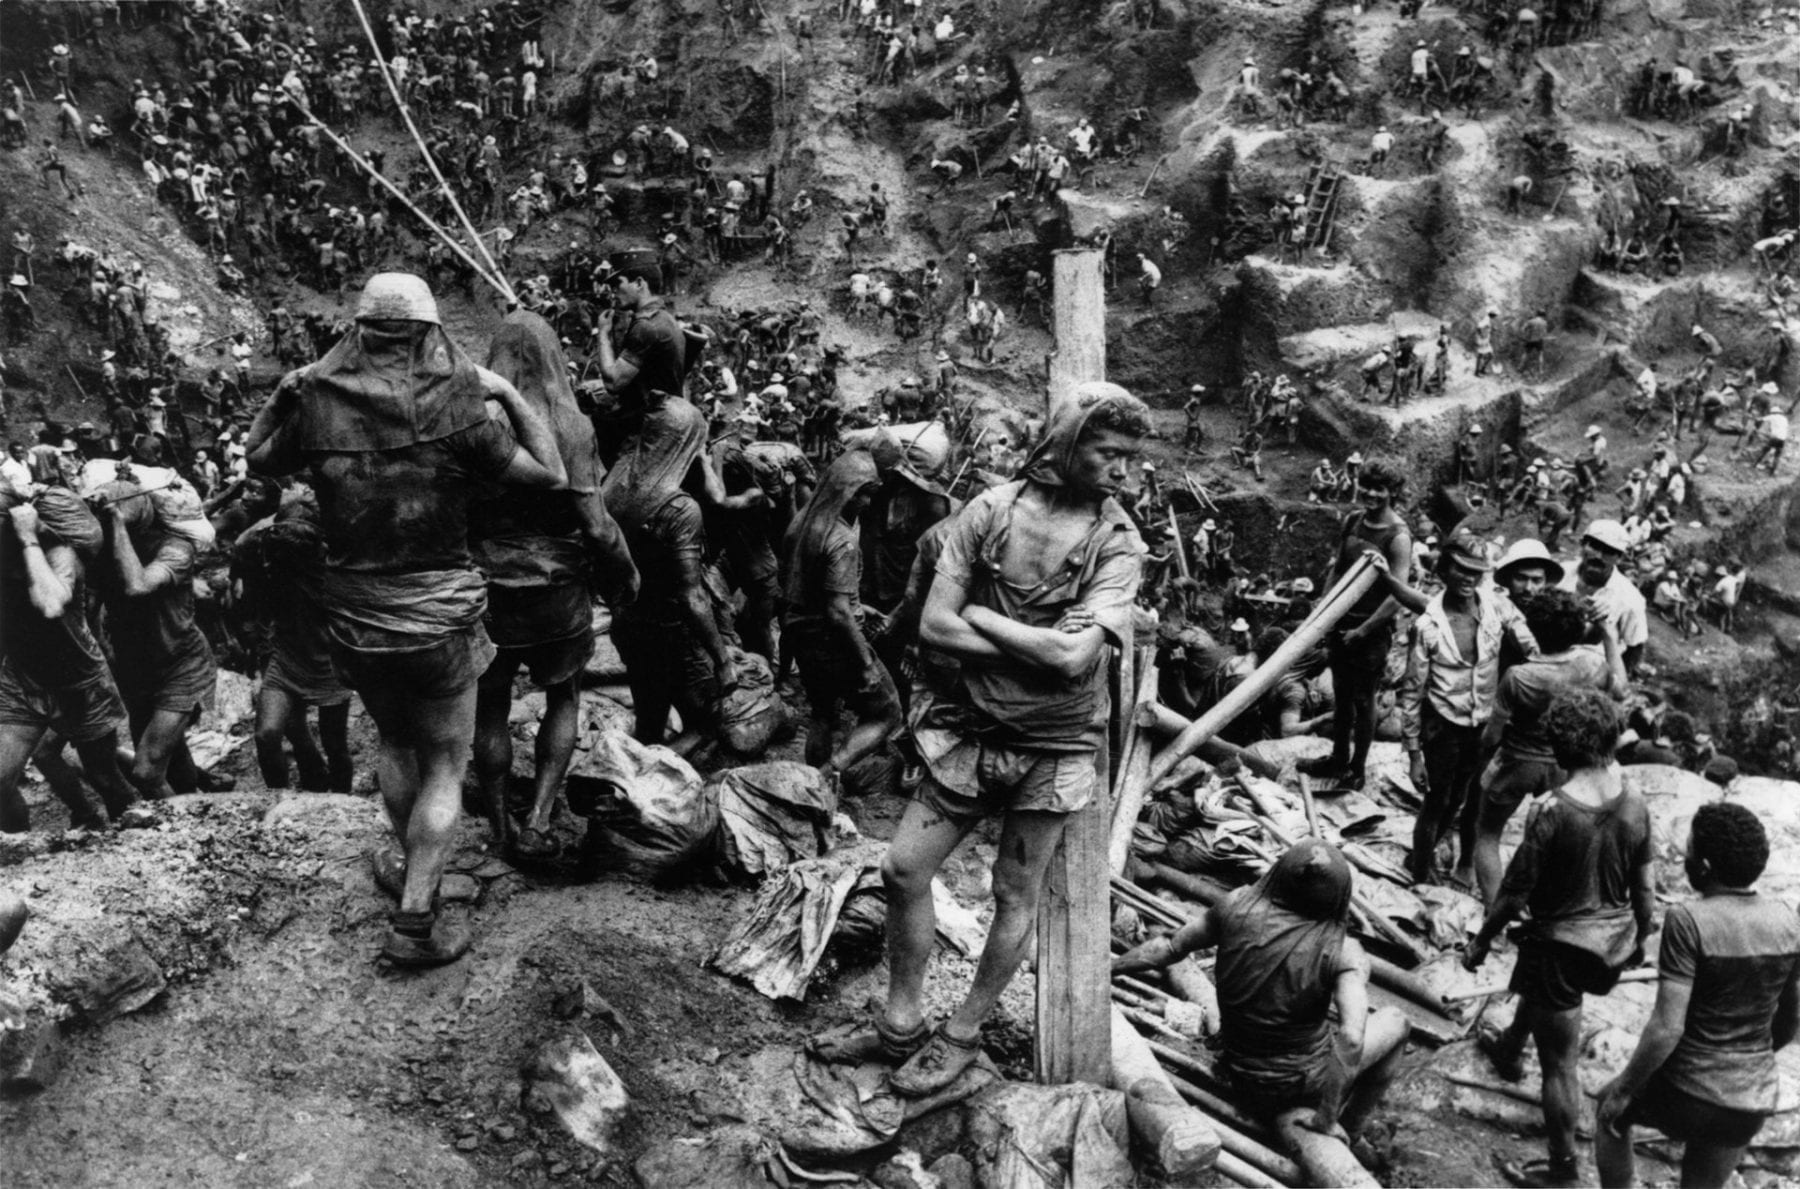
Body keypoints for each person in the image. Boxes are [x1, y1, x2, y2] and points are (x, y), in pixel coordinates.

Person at [820, 387, 1149, 1093]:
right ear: (1067, 443)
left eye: (1132, 457)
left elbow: (1073, 661)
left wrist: (983, 619)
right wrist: (1035, 640)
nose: (1123, 470)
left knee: (1012, 891)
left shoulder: (1118, 544)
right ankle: (899, 1022)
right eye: (1109, 452)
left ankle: (963, 1031)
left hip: (1053, 747)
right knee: (905, 869)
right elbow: (934, 626)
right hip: (969, 729)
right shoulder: (990, 511)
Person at [247, 274, 569, 968]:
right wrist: (508, 393)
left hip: (355, 614)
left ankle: (409, 865)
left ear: (357, 332)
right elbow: (550, 471)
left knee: (395, 744)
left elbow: (257, 456)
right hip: (438, 614)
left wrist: (283, 393)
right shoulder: (458, 409)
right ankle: (416, 917)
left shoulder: (319, 409)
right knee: (447, 764)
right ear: (430, 334)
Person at [1466, 689, 1655, 1189]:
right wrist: (1640, 935)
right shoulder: (1635, 798)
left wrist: (1482, 940)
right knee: (1547, 994)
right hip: (1610, 943)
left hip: (1561, 947)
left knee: (1559, 1065)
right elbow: (1646, 885)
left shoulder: (1551, 809)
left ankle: (1563, 1171)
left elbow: (1513, 893)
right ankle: (1509, 1046)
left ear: (1560, 747)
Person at [1114, 838, 1411, 1147]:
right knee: (1398, 1021)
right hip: (1297, 1086)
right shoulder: (1344, 952)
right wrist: (1325, 1118)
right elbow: (1351, 1038)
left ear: (1278, 874)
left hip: (1237, 1069)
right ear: (1339, 896)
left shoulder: (1236, 905)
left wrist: (1109, 969)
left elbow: (1169, 947)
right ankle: (1351, 1127)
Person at [472, 312, 637, 859]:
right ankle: (539, 820)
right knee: (562, 696)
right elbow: (596, 524)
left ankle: (497, 825)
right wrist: (624, 570)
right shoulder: (571, 424)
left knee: (489, 702)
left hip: (489, 586)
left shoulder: (472, 420)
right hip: (558, 587)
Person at [1595, 802, 1800, 1189]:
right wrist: (1744, 1065)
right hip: (1750, 1099)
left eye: (1688, 850)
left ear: (1703, 865)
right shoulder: (1790, 921)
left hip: (1687, 1089)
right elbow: (1790, 1022)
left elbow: (1666, 1027)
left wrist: (1623, 1088)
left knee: (1610, 1112)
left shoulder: (1687, 920)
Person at [601, 390, 741, 749]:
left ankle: (629, 778)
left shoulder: (610, 490)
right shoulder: (679, 509)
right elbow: (692, 595)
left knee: (650, 718)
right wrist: (722, 660)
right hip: (672, 632)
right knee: (705, 724)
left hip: (628, 621)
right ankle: (646, 787)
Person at [0, 485, 139, 832]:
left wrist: (29, 539)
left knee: (105, 778)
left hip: (80, 683)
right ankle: (24, 860)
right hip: (24, 680)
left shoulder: (61, 552)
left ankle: (137, 847)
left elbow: (49, 603)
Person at [1471, 588, 1623, 906]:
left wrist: (1483, 762)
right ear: (1577, 630)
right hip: (1564, 765)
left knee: (1486, 835)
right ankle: (1547, 904)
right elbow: (1620, 688)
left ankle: (1495, 912)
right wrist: (1608, 634)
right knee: (1555, 841)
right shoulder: (1590, 667)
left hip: (1518, 761)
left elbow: (1492, 735)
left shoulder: (1519, 676)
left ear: (1533, 628)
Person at [1400, 530, 1535, 885]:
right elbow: (1412, 692)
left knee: (1468, 796)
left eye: (1476, 572)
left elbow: (1528, 642)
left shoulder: (1496, 607)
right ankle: (1419, 872)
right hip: (1443, 725)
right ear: (1444, 570)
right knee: (1437, 800)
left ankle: (1445, 858)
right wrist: (1414, 754)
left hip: (1484, 723)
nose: (1468, 579)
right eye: (1461, 570)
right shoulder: (1428, 625)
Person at [782, 450, 903, 788]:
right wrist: (865, 663)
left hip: (801, 632)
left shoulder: (801, 522)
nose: (866, 501)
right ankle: (821, 779)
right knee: (887, 712)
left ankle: (813, 786)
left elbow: (809, 585)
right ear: (845, 491)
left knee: (822, 713)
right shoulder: (841, 541)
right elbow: (837, 611)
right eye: (862, 493)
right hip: (831, 640)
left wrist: (861, 608)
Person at [1301, 459, 1416, 791]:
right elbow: (1338, 569)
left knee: (1364, 701)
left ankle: (1357, 768)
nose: (1370, 494)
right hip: (1340, 625)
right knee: (1340, 694)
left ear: (1392, 492)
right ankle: (1337, 757)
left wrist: (1363, 631)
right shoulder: (1353, 520)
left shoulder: (1398, 536)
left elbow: (1398, 595)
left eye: (1379, 489)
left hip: (1371, 632)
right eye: (1366, 486)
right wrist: (1322, 611)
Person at [233, 497, 354, 794]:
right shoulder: (267, 555)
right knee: (266, 735)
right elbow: (249, 599)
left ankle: (343, 805)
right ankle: (279, 800)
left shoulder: (333, 566)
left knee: (335, 745)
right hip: (286, 658)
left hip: (330, 663)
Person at [1561, 519, 1648, 675]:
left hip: (1592, 674)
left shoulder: (1631, 599)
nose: (1599, 556)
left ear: (1619, 558)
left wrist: (1619, 684)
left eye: (1608, 551)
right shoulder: (1560, 574)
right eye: (1594, 546)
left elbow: (1634, 646)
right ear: (1583, 545)